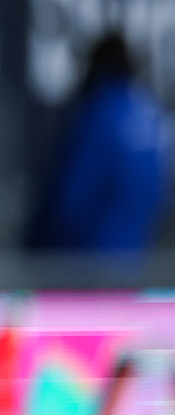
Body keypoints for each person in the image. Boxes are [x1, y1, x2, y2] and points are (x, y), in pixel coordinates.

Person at [27, 31, 173, 260]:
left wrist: (31, 249)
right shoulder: (150, 117)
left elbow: (69, 204)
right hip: (135, 265)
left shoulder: (99, 116)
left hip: (86, 269)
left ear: (96, 67)